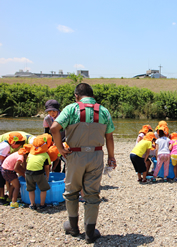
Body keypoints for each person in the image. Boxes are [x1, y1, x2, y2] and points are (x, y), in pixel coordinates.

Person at [50, 83, 116, 244]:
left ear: (76, 96)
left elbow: (54, 128)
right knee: (92, 194)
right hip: (96, 155)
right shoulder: (104, 111)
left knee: (71, 192)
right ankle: (90, 233)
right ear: (92, 96)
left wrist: (59, 148)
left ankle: (73, 228)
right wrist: (111, 157)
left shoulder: (71, 109)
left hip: (75, 155)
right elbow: (109, 137)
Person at [23, 134, 55, 210]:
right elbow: (47, 168)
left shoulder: (30, 153)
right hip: (38, 174)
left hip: (28, 173)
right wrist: (47, 177)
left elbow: (27, 163)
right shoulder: (45, 155)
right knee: (43, 189)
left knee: (31, 189)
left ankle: (32, 204)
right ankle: (42, 204)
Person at [0, 132, 26, 205]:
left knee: (13, 183)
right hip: (7, 169)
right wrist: (24, 175)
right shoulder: (6, 146)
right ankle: (13, 202)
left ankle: (9, 198)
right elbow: (16, 168)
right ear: (14, 142)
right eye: (18, 145)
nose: (18, 147)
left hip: (5, 168)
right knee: (16, 186)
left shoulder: (6, 145)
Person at [43, 99, 65, 173]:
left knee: (65, 156)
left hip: (65, 137)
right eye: (49, 111)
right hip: (54, 138)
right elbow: (46, 133)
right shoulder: (47, 119)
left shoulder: (64, 116)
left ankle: (65, 172)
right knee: (55, 155)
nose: (52, 113)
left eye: (54, 111)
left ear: (58, 110)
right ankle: (56, 171)